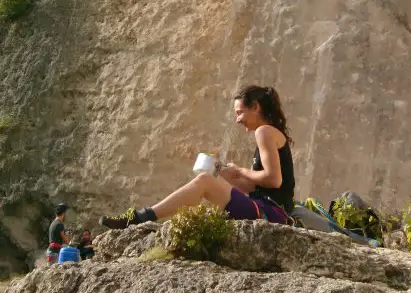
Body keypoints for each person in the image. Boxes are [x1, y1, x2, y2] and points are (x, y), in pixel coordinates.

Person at [100, 85, 295, 229]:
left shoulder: (264, 132)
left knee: (203, 180)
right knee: (208, 178)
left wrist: (240, 171)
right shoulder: (269, 133)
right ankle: (141, 217)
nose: (237, 120)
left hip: (271, 214)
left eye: (239, 113)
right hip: (266, 208)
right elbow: (257, 187)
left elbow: (273, 180)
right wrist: (224, 174)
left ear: (256, 107)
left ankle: (140, 217)